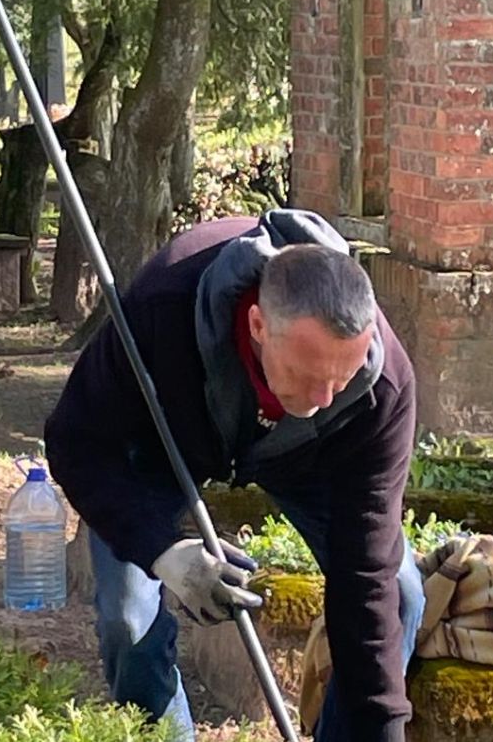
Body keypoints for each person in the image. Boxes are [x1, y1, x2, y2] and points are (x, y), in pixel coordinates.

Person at [45, 209, 424, 742]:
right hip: (163, 441)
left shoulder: (380, 389)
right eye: (306, 376)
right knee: (128, 620)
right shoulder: (162, 309)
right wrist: (161, 549)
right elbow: (74, 442)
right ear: (257, 326)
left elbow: (365, 575)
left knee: (402, 593)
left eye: (341, 379)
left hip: (306, 459)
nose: (321, 401)